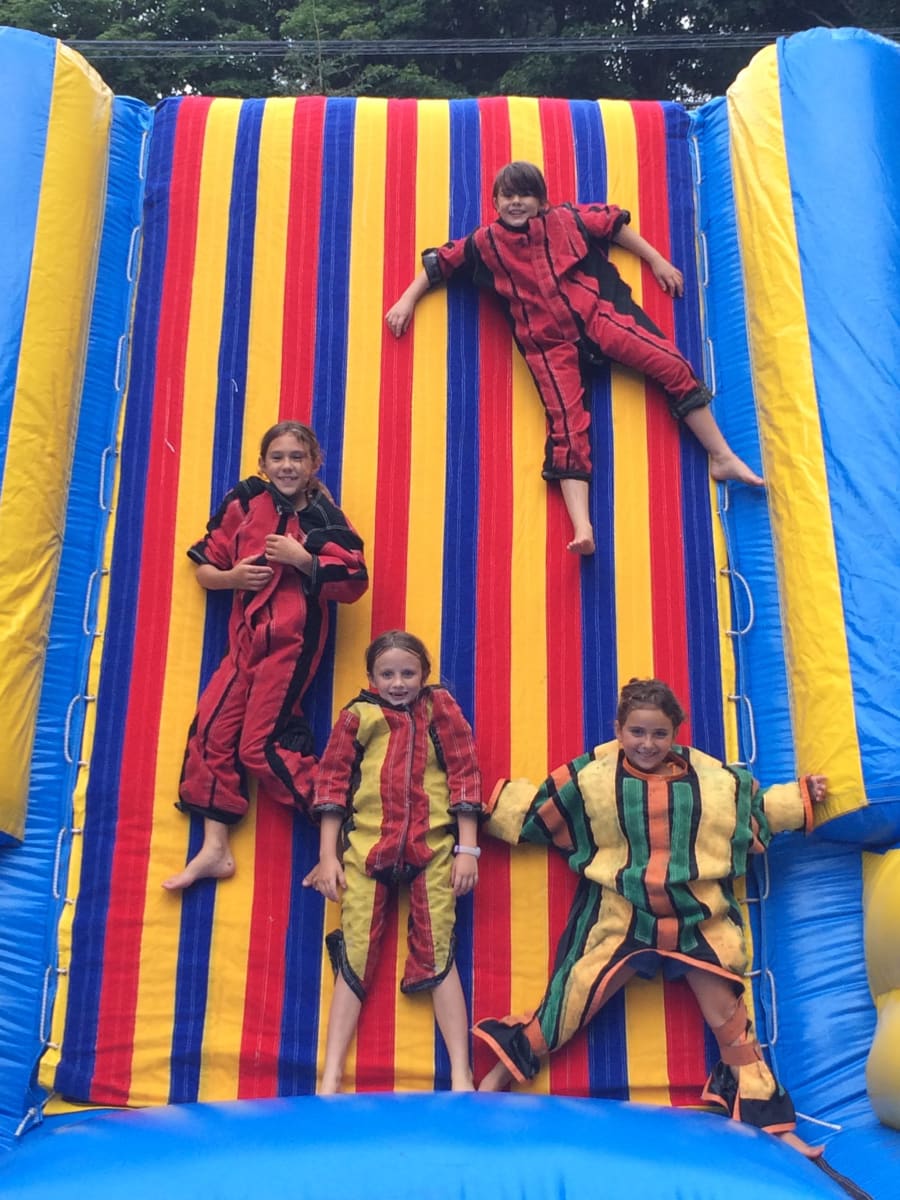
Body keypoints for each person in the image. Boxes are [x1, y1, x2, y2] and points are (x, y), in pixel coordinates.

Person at [473, 677, 825, 1159]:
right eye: (637, 732)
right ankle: (491, 1083)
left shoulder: (714, 782)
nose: (647, 743)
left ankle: (773, 1126)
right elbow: (540, 809)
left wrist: (802, 798)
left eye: (659, 734)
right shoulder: (594, 779)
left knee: (730, 1019)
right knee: (569, 1003)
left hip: (696, 916)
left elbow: (755, 810)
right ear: (619, 730)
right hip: (622, 914)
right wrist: (477, 807)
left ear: (676, 733)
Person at [386, 161, 763, 556]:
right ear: (495, 201)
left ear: (542, 200)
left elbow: (613, 226)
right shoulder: (485, 243)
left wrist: (657, 260)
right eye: (507, 196)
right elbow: (441, 263)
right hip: (547, 345)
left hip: (595, 315)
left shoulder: (565, 219)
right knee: (567, 427)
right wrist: (406, 300)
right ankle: (583, 526)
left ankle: (722, 456)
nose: (516, 202)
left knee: (670, 363)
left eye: (525, 195)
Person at [162, 421, 368, 892]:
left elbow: (356, 581)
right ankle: (215, 849)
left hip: (290, 646)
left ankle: (344, 825)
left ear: (314, 464)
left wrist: (303, 560)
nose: (287, 466)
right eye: (278, 457)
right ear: (263, 463)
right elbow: (205, 570)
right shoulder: (244, 501)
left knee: (260, 748)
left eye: (297, 457)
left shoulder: (324, 515)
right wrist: (232, 578)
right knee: (212, 731)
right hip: (244, 643)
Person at [304, 630, 483, 1093]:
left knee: (439, 947)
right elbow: (331, 786)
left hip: (434, 849)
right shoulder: (357, 716)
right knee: (356, 952)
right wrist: (328, 857)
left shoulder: (438, 708)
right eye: (388, 674)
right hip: (368, 849)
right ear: (371, 677)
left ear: (424, 673)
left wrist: (467, 848)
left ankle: (461, 1072)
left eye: (408, 672)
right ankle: (330, 1076)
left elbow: (464, 773)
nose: (399, 682)